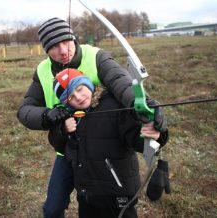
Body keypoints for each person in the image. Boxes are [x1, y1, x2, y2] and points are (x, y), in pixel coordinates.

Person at [16, 17, 167, 217]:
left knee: (104, 201)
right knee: (52, 209)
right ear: (46, 50)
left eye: (66, 42)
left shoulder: (96, 56)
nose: (62, 50)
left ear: (74, 39)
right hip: (69, 150)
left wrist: (142, 105)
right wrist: (49, 115)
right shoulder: (43, 70)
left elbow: (121, 82)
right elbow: (25, 110)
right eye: (53, 46)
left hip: (102, 148)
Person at [48, 68, 169, 218]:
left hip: (118, 193)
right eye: (71, 97)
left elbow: (138, 140)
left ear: (88, 83)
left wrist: (156, 134)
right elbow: (58, 144)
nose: (78, 97)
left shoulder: (114, 104)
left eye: (79, 89)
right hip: (87, 196)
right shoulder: (70, 116)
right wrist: (63, 129)